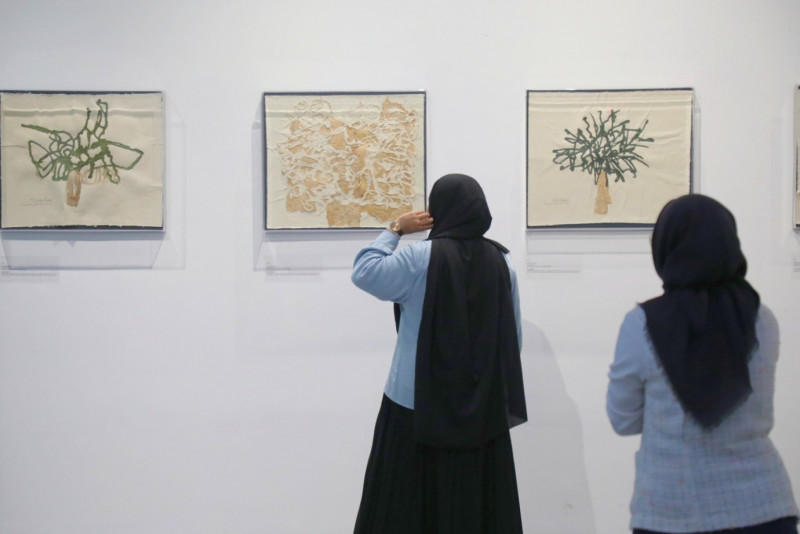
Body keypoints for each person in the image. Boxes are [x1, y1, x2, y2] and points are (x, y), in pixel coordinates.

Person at [607, 194, 798, 534]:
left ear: (666, 247)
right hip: (765, 507)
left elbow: (623, 420)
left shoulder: (642, 323)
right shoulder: (761, 318)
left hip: (671, 510)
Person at [351, 174, 527, 534]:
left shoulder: (419, 258)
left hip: (414, 403)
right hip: (481, 409)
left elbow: (365, 272)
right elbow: (513, 338)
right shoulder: (501, 261)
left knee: (404, 502)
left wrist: (395, 228)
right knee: (476, 503)